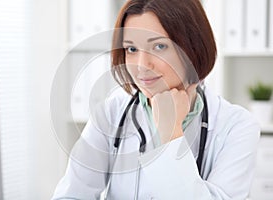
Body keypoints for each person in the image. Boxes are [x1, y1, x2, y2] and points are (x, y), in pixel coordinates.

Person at [52, 0, 260, 199]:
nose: (142, 65)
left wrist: (171, 132)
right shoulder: (111, 112)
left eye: (159, 46)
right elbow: (70, 195)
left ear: (192, 46)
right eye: (131, 49)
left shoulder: (236, 126)